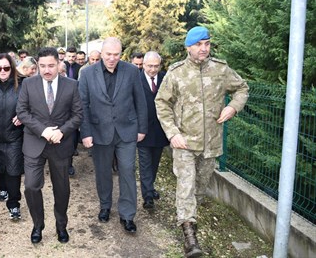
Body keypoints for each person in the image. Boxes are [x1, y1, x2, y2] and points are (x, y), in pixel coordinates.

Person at [155, 26, 249, 258]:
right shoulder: (176, 73)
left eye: (206, 44)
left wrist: (232, 107)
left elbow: (242, 88)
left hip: (211, 143)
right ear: (188, 47)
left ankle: (190, 214)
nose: (203, 48)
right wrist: (172, 132)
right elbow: (162, 103)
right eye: (198, 45)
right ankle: (189, 236)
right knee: (185, 184)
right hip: (184, 142)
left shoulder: (221, 69)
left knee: (200, 186)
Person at [79, 37, 148, 234]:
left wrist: (141, 129)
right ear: (101, 54)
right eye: (108, 54)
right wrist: (86, 133)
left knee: (127, 171)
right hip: (99, 131)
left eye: (116, 55)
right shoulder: (87, 74)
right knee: (102, 172)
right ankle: (105, 205)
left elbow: (140, 101)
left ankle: (127, 215)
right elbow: (82, 105)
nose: (112, 58)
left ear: (121, 54)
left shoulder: (132, 71)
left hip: (127, 130)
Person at [16, 47, 83, 244]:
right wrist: (43, 131)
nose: (47, 70)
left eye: (51, 66)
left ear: (59, 64)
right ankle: (38, 225)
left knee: (61, 188)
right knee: (30, 186)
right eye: (43, 66)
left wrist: (61, 131)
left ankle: (61, 225)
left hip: (60, 145)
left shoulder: (71, 85)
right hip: (34, 143)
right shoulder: (28, 84)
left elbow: (78, 115)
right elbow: (22, 112)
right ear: (38, 65)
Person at [0, 53, 24, 220]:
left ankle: (14, 204)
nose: (2, 71)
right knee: (0, 168)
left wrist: (23, 115)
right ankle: (3, 189)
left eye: (6, 67)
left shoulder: (23, 85)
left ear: (12, 68)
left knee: (13, 172)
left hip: (14, 137)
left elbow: (32, 104)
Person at [137, 51, 169, 211]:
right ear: (143, 65)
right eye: (149, 66)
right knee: (145, 163)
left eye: (156, 66)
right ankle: (148, 196)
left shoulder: (165, 78)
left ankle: (150, 186)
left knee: (155, 162)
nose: (153, 69)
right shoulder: (136, 79)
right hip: (143, 130)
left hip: (161, 130)